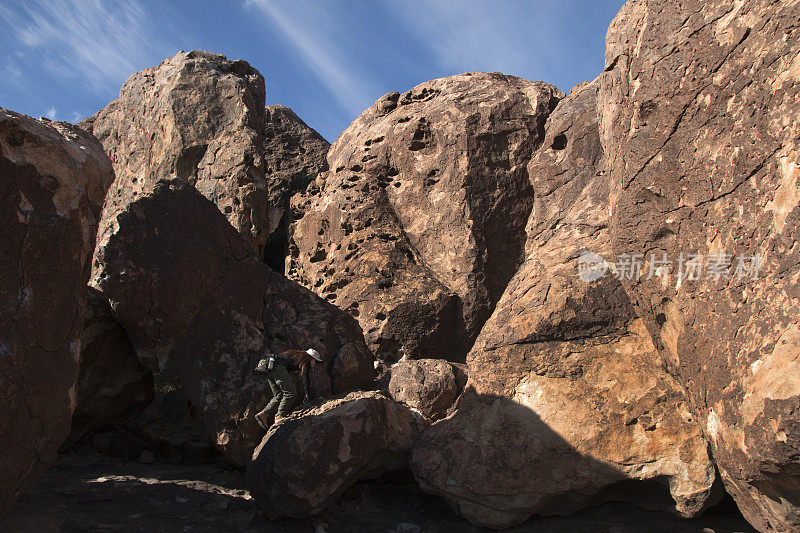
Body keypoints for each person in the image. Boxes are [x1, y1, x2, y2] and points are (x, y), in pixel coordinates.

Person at [253, 348, 322, 429]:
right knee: (290, 393)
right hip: (278, 368)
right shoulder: (305, 359)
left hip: (269, 369)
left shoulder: (294, 354)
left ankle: (263, 414)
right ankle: (280, 416)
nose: (314, 364)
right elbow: (305, 377)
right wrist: (307, 394)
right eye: (315, 361)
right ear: (312, 358)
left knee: (278, 395)